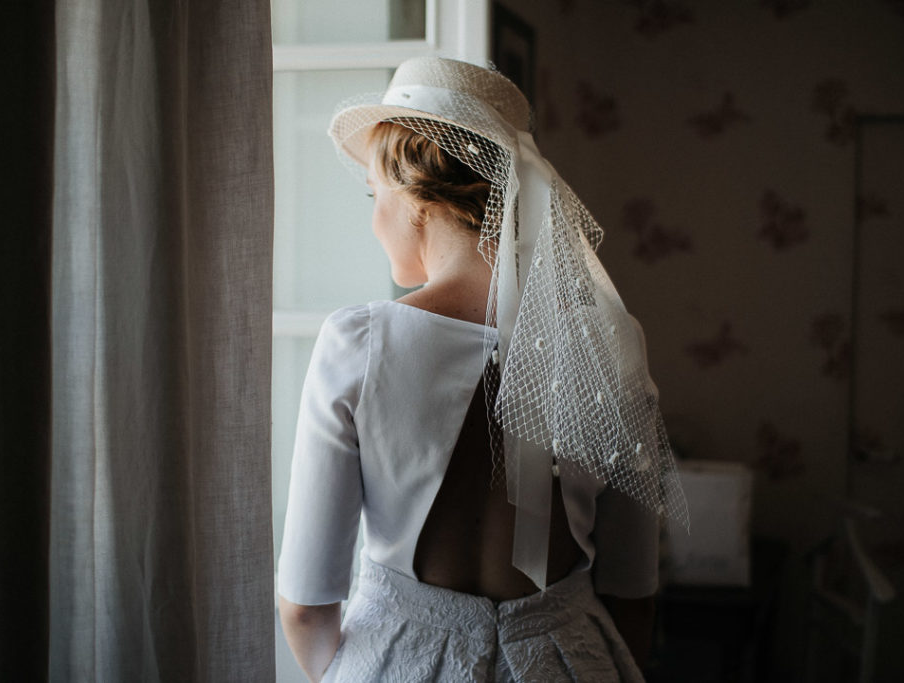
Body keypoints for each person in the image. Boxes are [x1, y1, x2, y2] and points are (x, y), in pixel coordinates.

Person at [276, 56, 687, 682]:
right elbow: (634, 591)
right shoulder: (608, 339)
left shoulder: (358, 342)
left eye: (374, 194)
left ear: (417, 197)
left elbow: (305, 607)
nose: (372, 220)